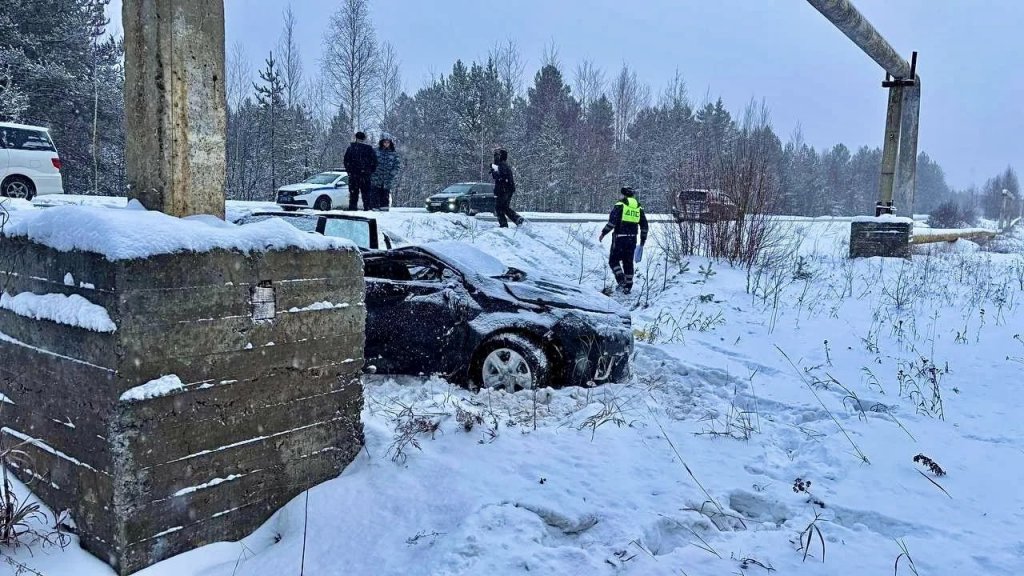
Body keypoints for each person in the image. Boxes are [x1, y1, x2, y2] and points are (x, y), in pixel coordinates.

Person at [598, 187, 649, 295]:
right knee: (628, 262)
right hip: (632, 239)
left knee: (613, 261)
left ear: (624, 195)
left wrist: (603, 233)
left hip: (620, 238)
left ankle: (621, 280)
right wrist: (642, 240)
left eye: (621, 194)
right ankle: (628, 286)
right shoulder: (638, 208)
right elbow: (644, 226)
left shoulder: (620, 205)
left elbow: (612, 223)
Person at [490, 147, 524, 228]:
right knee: (504, 207)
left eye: (497, 155)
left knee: (499, 207)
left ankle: (504, 225)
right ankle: (517, 218)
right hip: (508, 189)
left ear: (500, 156)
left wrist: (493, 171)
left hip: (504, 190)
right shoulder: (504, 165)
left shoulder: (502, 165)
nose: (495, 157)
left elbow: (500, 177)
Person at [343, 131, 377, 210]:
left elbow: (346, 161)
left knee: (353, 195)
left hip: (354, 176)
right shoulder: (369, 149)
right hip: (365, 176)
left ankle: (352, 210)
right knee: (366, 194)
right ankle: (367, 210)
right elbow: (375, 162)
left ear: (356, 138)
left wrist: (349, 171)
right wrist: (369, 171)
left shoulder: (351, 148)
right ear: (364, 139)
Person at [370, 133, 401, 211]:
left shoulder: (394, 153)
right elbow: (370, 163)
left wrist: (391, 175)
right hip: (376, 179)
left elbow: (397, 166)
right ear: (381, 142)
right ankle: (374, 212)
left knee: (385, 197)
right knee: (375, 197)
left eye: (388, 142)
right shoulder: (375, 151)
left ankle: (384, 214)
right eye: (385, 142)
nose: (386, 144)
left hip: (387, 180)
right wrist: (373, 173)